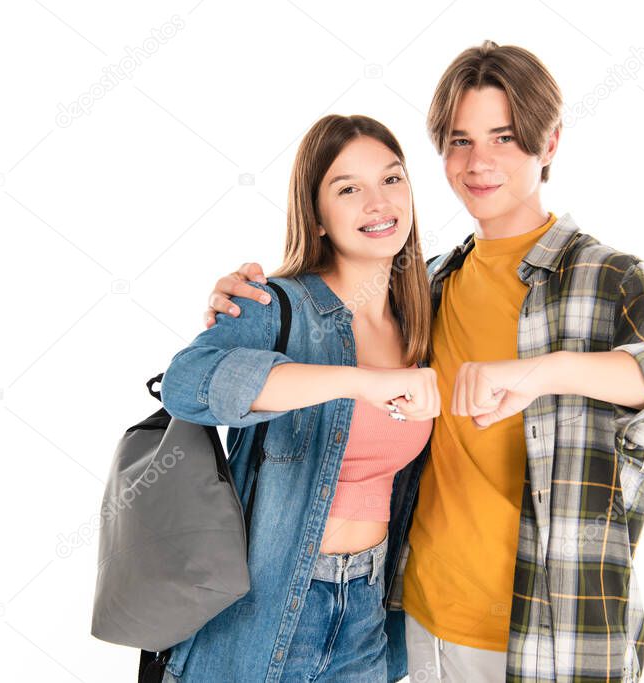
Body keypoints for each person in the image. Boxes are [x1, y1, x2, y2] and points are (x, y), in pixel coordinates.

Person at [201, 41, 644, 682]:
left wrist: (543, 372)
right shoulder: (430, 287)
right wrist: (249, 303)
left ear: (548, 144)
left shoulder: (602, 279)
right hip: (411, 625)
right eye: (460, 141)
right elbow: (328, 319)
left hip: (549, 637)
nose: (479, 162)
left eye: (504, 137)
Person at [158, 113, 442, 681]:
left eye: (391, 179)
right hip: (263, 616)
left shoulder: (429, 310)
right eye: (348, 189)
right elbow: (184, 384)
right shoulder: (277, 307)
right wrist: (359, 379)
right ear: (316, 218)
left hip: (366, 613)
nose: (378, 203)